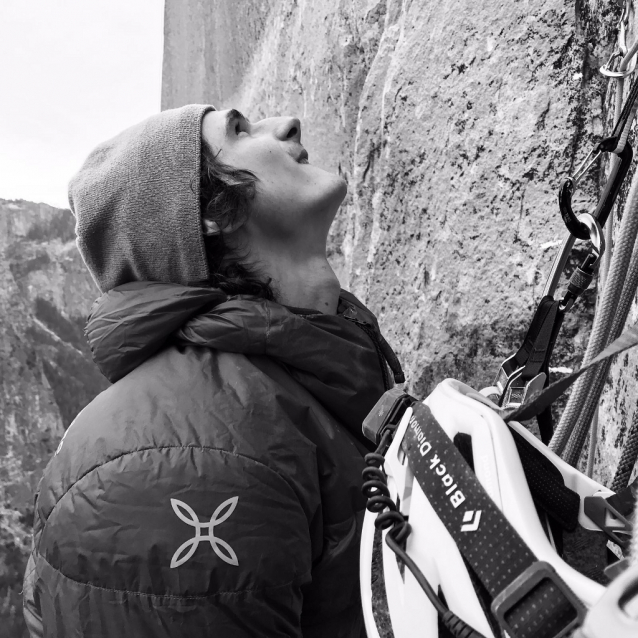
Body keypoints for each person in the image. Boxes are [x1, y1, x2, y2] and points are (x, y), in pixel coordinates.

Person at [22, 103, 403, 638]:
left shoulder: (293, 376)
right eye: (240, 129)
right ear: (211, 211)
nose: (288, 123)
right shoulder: (181, 461)